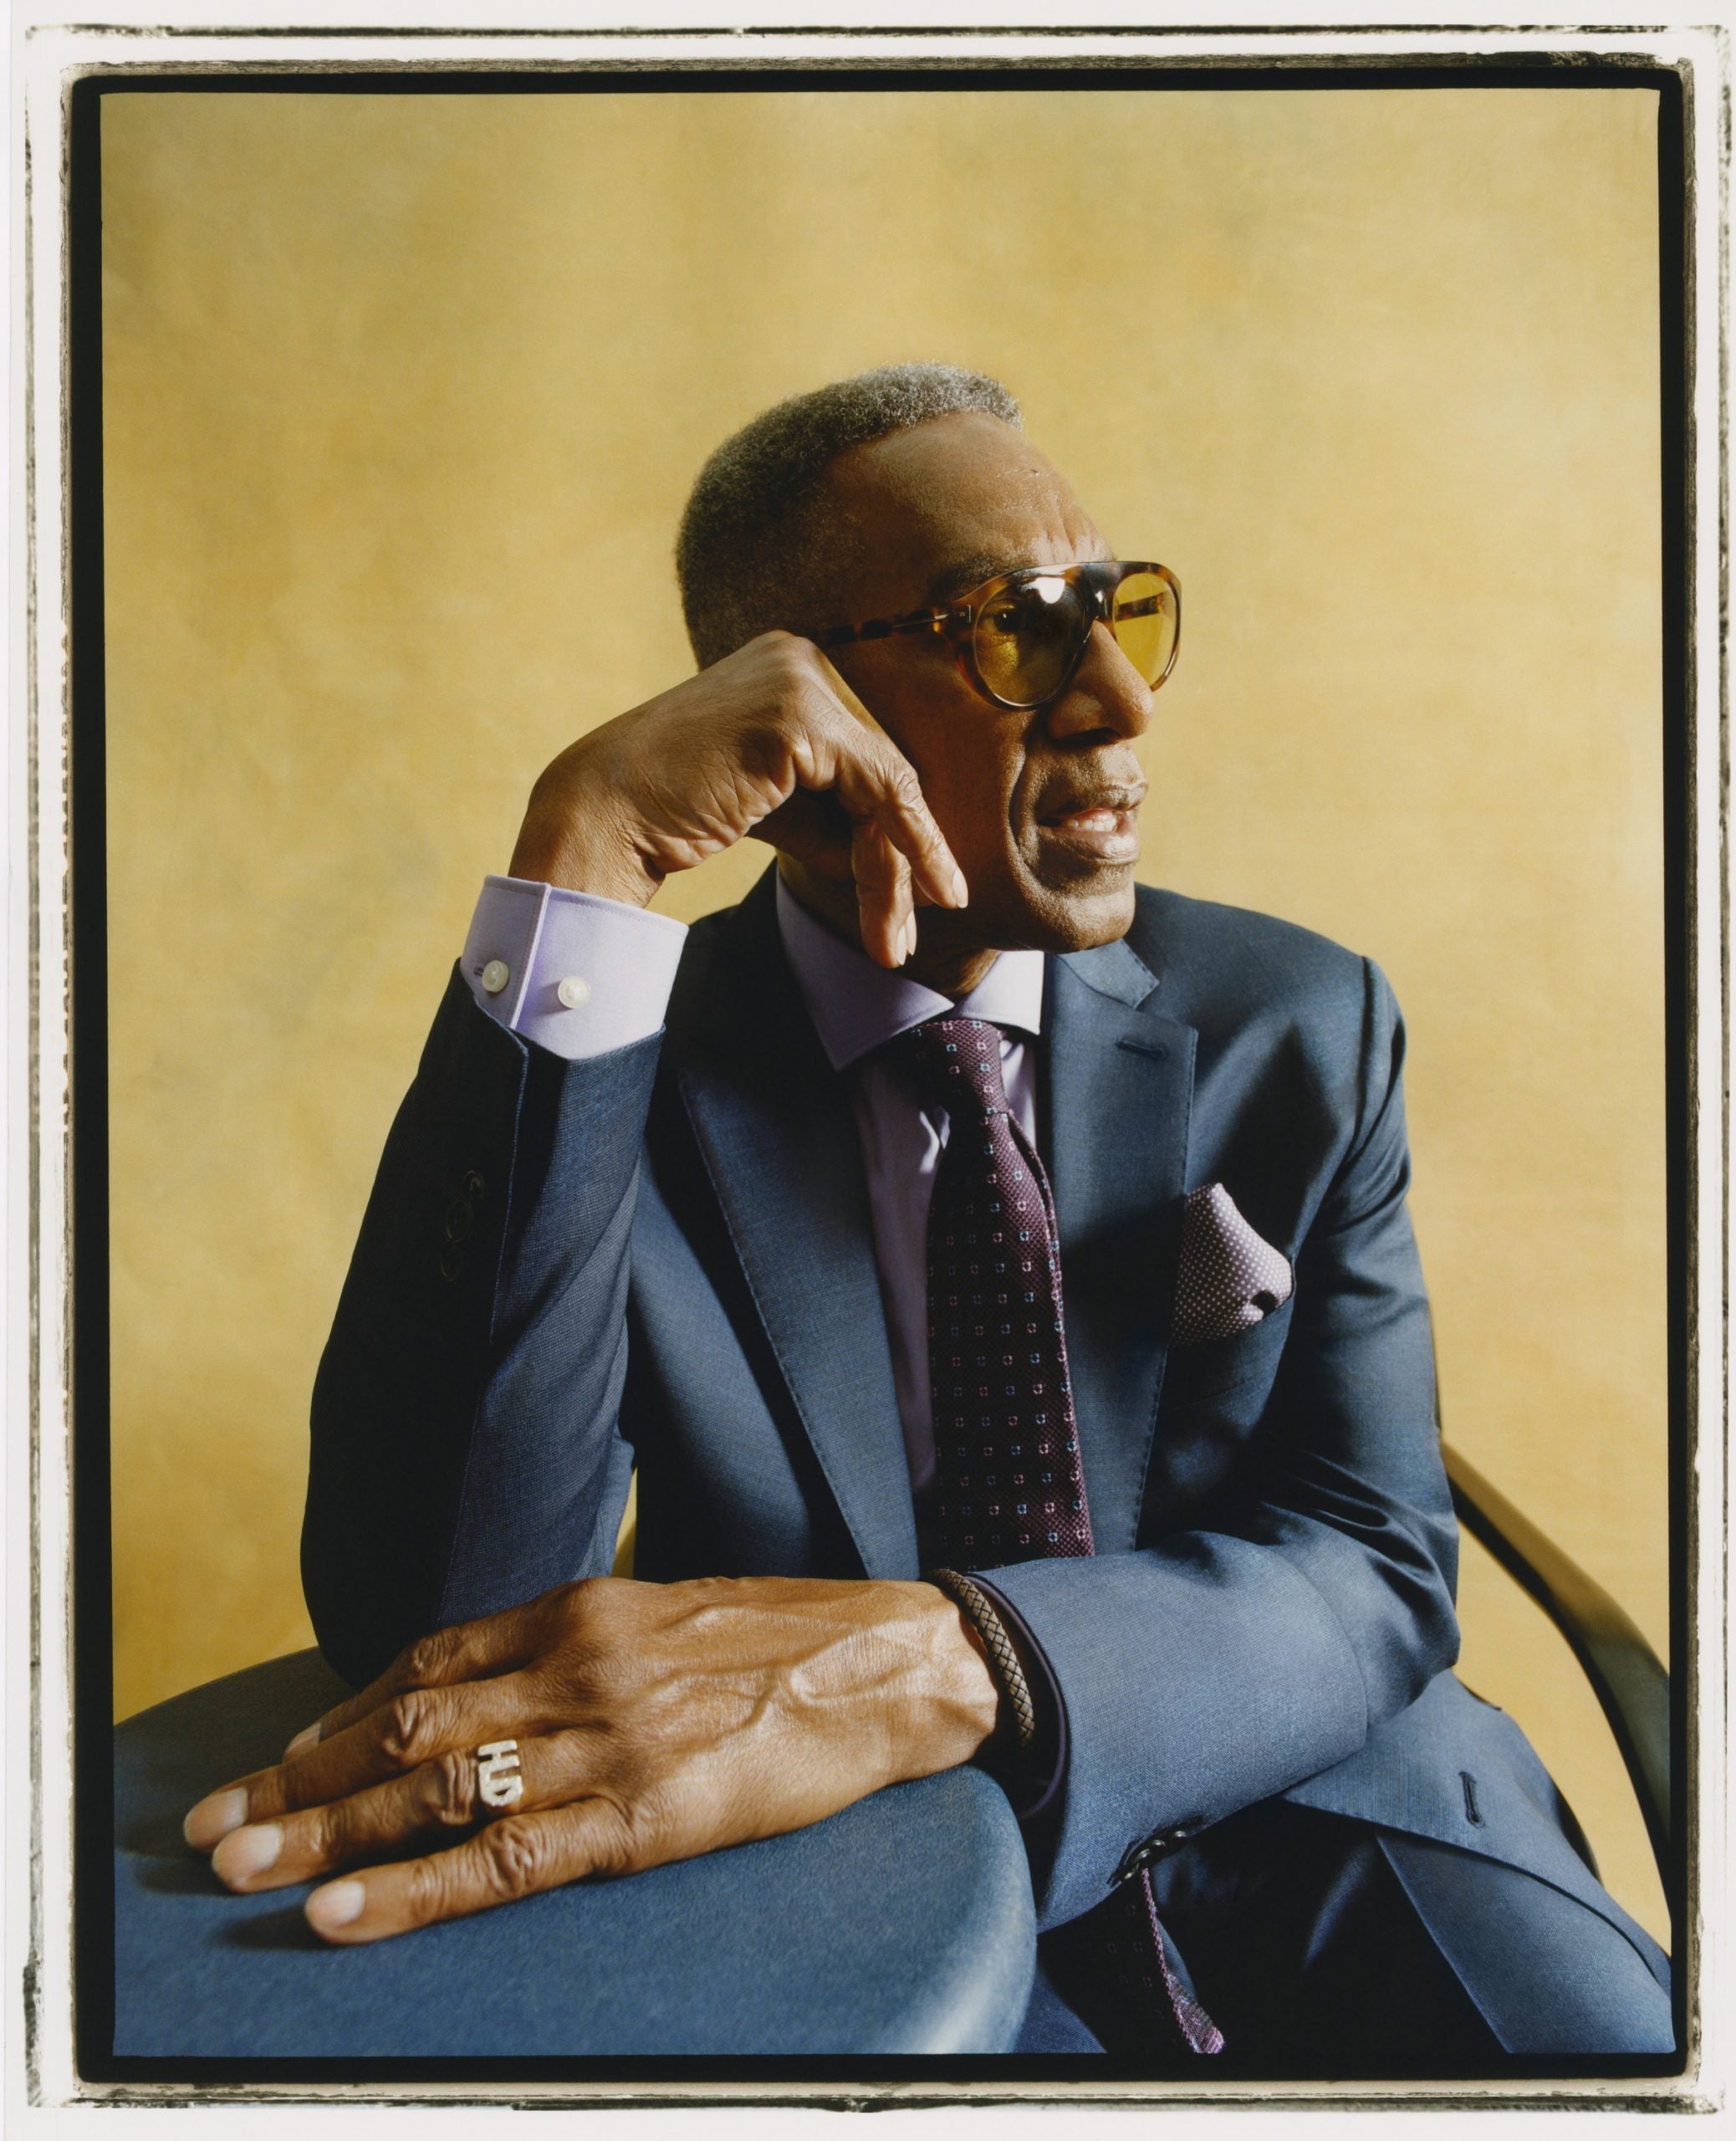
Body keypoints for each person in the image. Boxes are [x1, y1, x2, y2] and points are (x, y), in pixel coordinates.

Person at [183, 364, 1671, 2065]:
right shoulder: (610, 1070)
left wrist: (960, 1653)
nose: (1120, 699)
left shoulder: (1299, 1022)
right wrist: (589, 847)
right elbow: (433, 1628)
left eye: (1121, 610)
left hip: (1332, 1799)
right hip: (866, 1881)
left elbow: (1379, 1557)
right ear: (803, 710)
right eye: (1017, 628)